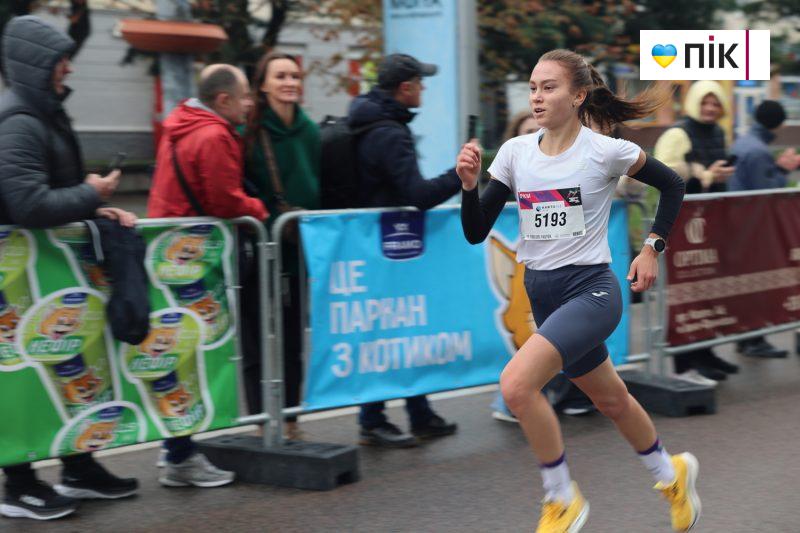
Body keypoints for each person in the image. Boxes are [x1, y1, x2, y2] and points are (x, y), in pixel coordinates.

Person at [457, 49, 699, 532]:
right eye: (533, 87)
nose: (538, 97)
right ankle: (670, 473)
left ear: (578, 94)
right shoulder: (514, 152)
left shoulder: (604, 150)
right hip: (544, 295)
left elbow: (672, 184)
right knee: (611, 400)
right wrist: (467, 187)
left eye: (549, 87)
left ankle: (560, 496)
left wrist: (651, 247)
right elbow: (475, 231)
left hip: (591, 291)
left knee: (516, 386)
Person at [0, 15, 137, 520]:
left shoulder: (44, 114)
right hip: (16, 280)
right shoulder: (19, 120)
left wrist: (94, 209)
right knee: (25, 379)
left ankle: (78, 466)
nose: (69, 67)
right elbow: (27, 203)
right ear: (37, 64)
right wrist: (92, 192)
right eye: (61, 59)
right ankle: (18, 486)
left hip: (45, 276)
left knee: (68, 369)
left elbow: (47, 191)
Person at [148, 63, 267, 487]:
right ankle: (181, 456)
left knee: (176, 352)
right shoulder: (215, 134)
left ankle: (174, 448)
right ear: (223, 100)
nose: (250, 103)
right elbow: (225, 200)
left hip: (167, 250)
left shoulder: (178, 123)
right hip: (194, 258)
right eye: (245, 96)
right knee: (193, 354)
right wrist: (258, 209)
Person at [346, 53, 461, 447]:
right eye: (419, 82)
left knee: (401, 330)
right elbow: (418, 195)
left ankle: (418, 412)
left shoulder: (369, 121)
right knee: (387, 332)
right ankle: (373, 419)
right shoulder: (389, 132)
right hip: (388, 246)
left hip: (379, 243)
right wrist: (460, 176)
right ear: (405, 88)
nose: (424, 89)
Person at [653, 80, 770, 379]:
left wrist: (718, 176)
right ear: (693, 103)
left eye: (715, 103)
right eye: (704, 102)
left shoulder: (718, 131)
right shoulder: (678, 133)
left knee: (707, 292)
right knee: (687, 293)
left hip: (712, 222)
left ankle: (707, 353)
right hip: (682, 225)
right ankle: (686, 362)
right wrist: (703, 175)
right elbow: (665, 175)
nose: (709, 108)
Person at [491, 113, 595, 424]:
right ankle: (518, 396)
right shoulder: (512, 162)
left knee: (567, 343)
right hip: (537, 274)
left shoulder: (578, 158)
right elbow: (479, 219)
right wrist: (470, 187)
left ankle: (568, 393)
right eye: (526, 132)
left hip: (581, 276)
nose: (534, 135)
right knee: (538, 337)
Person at [242, 51, 320, 440]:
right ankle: (259, 420)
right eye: (281, 76)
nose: (290, 82)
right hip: (260, 248)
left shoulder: (309, 130)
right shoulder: (251, 131)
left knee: (292, 337)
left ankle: (290, 417)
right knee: (257, 337)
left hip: (297, 249)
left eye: (295, 75)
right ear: (263, 84)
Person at [728, 100, 799, 358]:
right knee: (755, 285)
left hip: (742, 227)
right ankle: (752, 340)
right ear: (780, 123)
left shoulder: (745, 141)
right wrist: (784, 169)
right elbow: (766, 193)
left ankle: (748, 338)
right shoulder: (758, 150)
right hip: (752, 229)